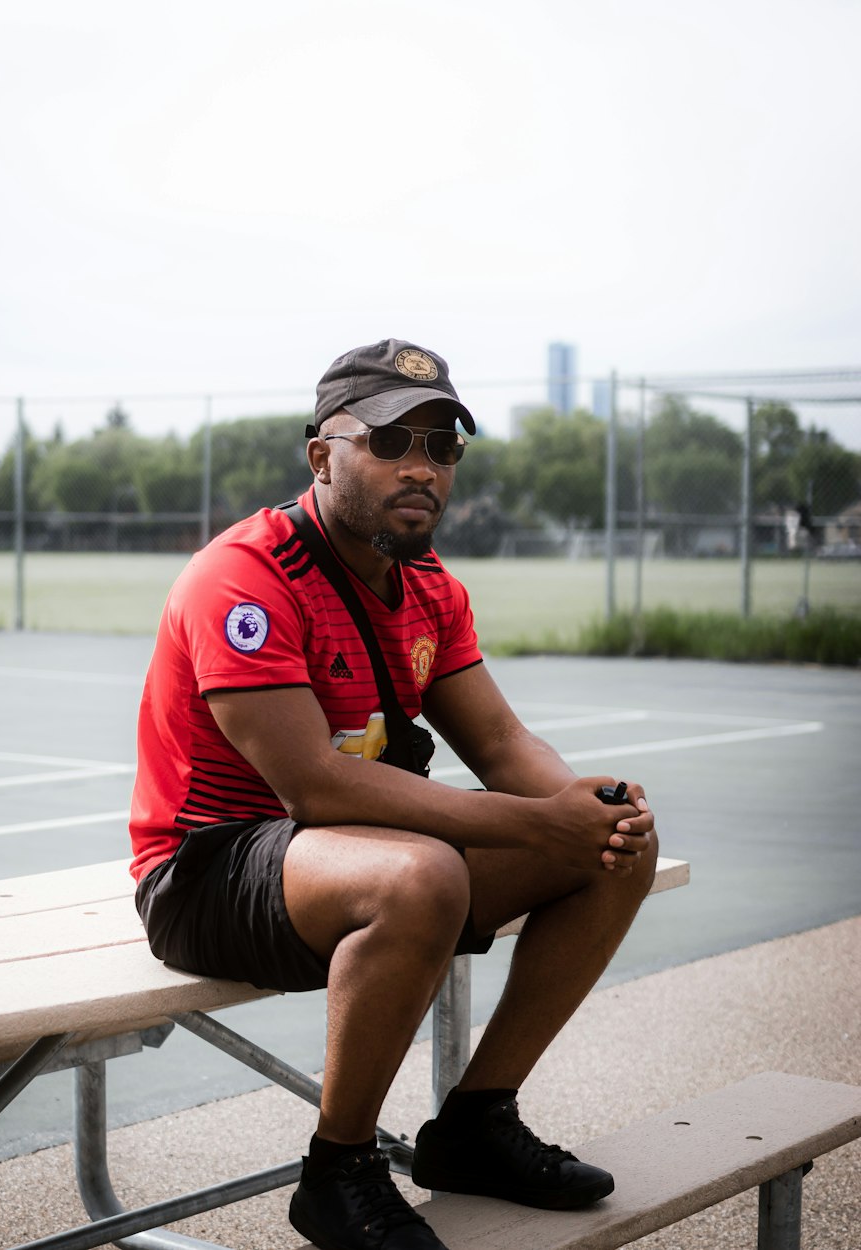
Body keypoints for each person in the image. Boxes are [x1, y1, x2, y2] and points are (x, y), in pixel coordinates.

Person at [129, 338, 658, 1250]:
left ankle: (475, 1126)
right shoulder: (244, 575)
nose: (422, 467)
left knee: (616, 851)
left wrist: (589, 809)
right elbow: (315, 785)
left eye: (443, 446)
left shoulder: (429, 589)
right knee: (421, 878)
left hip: (344, 860)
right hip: (205, 870)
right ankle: (337, 1172)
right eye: (390, 440)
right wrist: (540, 822)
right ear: (322, 455)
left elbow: (498, 741)